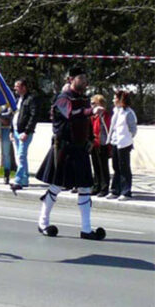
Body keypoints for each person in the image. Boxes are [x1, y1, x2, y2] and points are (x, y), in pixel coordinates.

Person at [35, 67, 106, 240]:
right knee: (56, 185)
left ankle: (86, 229)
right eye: (81, 78)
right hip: (64, 148)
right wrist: (90, 111)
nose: (84, 81)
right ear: (70, 79)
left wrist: (91, 138)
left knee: (85, 187)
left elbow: (85, 121)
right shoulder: (62, 98)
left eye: (85, 78)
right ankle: (43, 223)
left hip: (80, 148)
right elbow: (71, 114)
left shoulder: (84, 99)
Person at [106, 90, 137, 201]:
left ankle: (126, 192)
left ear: (120, 100)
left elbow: (133, 130)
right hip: (115, 142)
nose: (113, 100)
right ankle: (115, 190)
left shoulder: (128, 113)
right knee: (116, 167)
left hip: (124, 144)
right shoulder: (116, 111)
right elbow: (113, 127)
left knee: (124, 168)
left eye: (115, 98)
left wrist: (126, 139)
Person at [10, 78, 38, 191]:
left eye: (17, 86)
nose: (15, 89)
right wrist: (11, 131)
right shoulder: (18, 100)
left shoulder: (31, 99)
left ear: (24, 87)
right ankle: (25, 179)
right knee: (21, 157)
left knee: (21, 156)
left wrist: (27, 132)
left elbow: (33, 116)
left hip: (24, 132)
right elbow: (14, 115)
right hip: (16, 131)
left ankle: (18, 180)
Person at [90, 94, 111, 197]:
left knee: (103, 167)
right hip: (94, 143)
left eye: (94, 103)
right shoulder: (93, 115)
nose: (92, 105)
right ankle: (96, 186)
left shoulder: (105, 115)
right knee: (96, 166)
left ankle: (104, 188)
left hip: (102, 143)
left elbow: (106, 128)